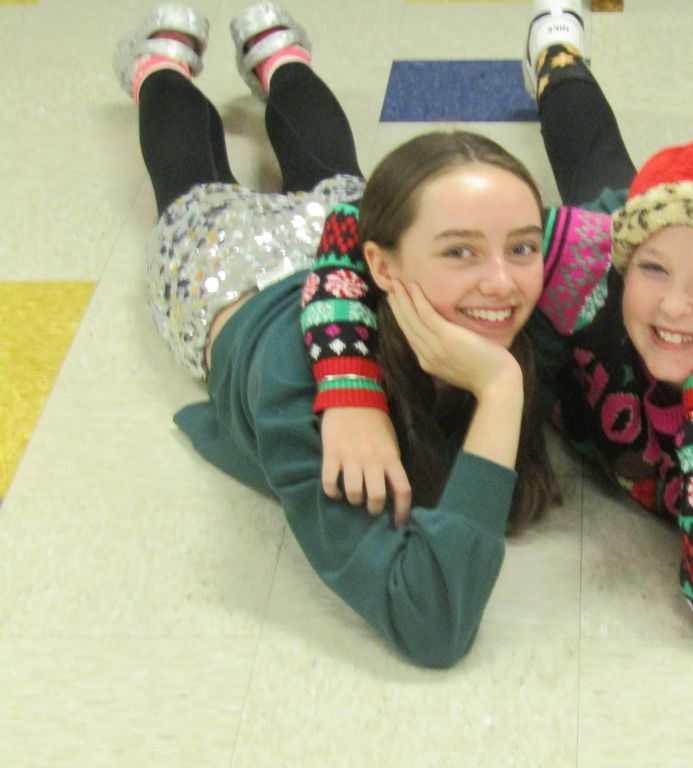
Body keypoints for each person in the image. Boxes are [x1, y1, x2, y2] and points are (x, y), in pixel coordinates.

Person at [314, 0, 693, 651]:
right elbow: (357, 226)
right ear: (623, 259)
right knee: (594, 165)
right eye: (653, 273)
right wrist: (352, 392)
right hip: (653, 221)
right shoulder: (594, 258)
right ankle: (556, 51)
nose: (673, 307)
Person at [114, 2, 558, 668]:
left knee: (337, 174)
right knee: (192, 187)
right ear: (381, 262)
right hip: (230, 274)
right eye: (460, 251)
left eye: (521, 247)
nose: (501, 283)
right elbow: (432, 624)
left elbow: (350, 224)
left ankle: (280, 60)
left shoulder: (508, 300)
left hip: (344, 246)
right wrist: (497, 391)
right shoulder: (302, 394)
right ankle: (159, 66)